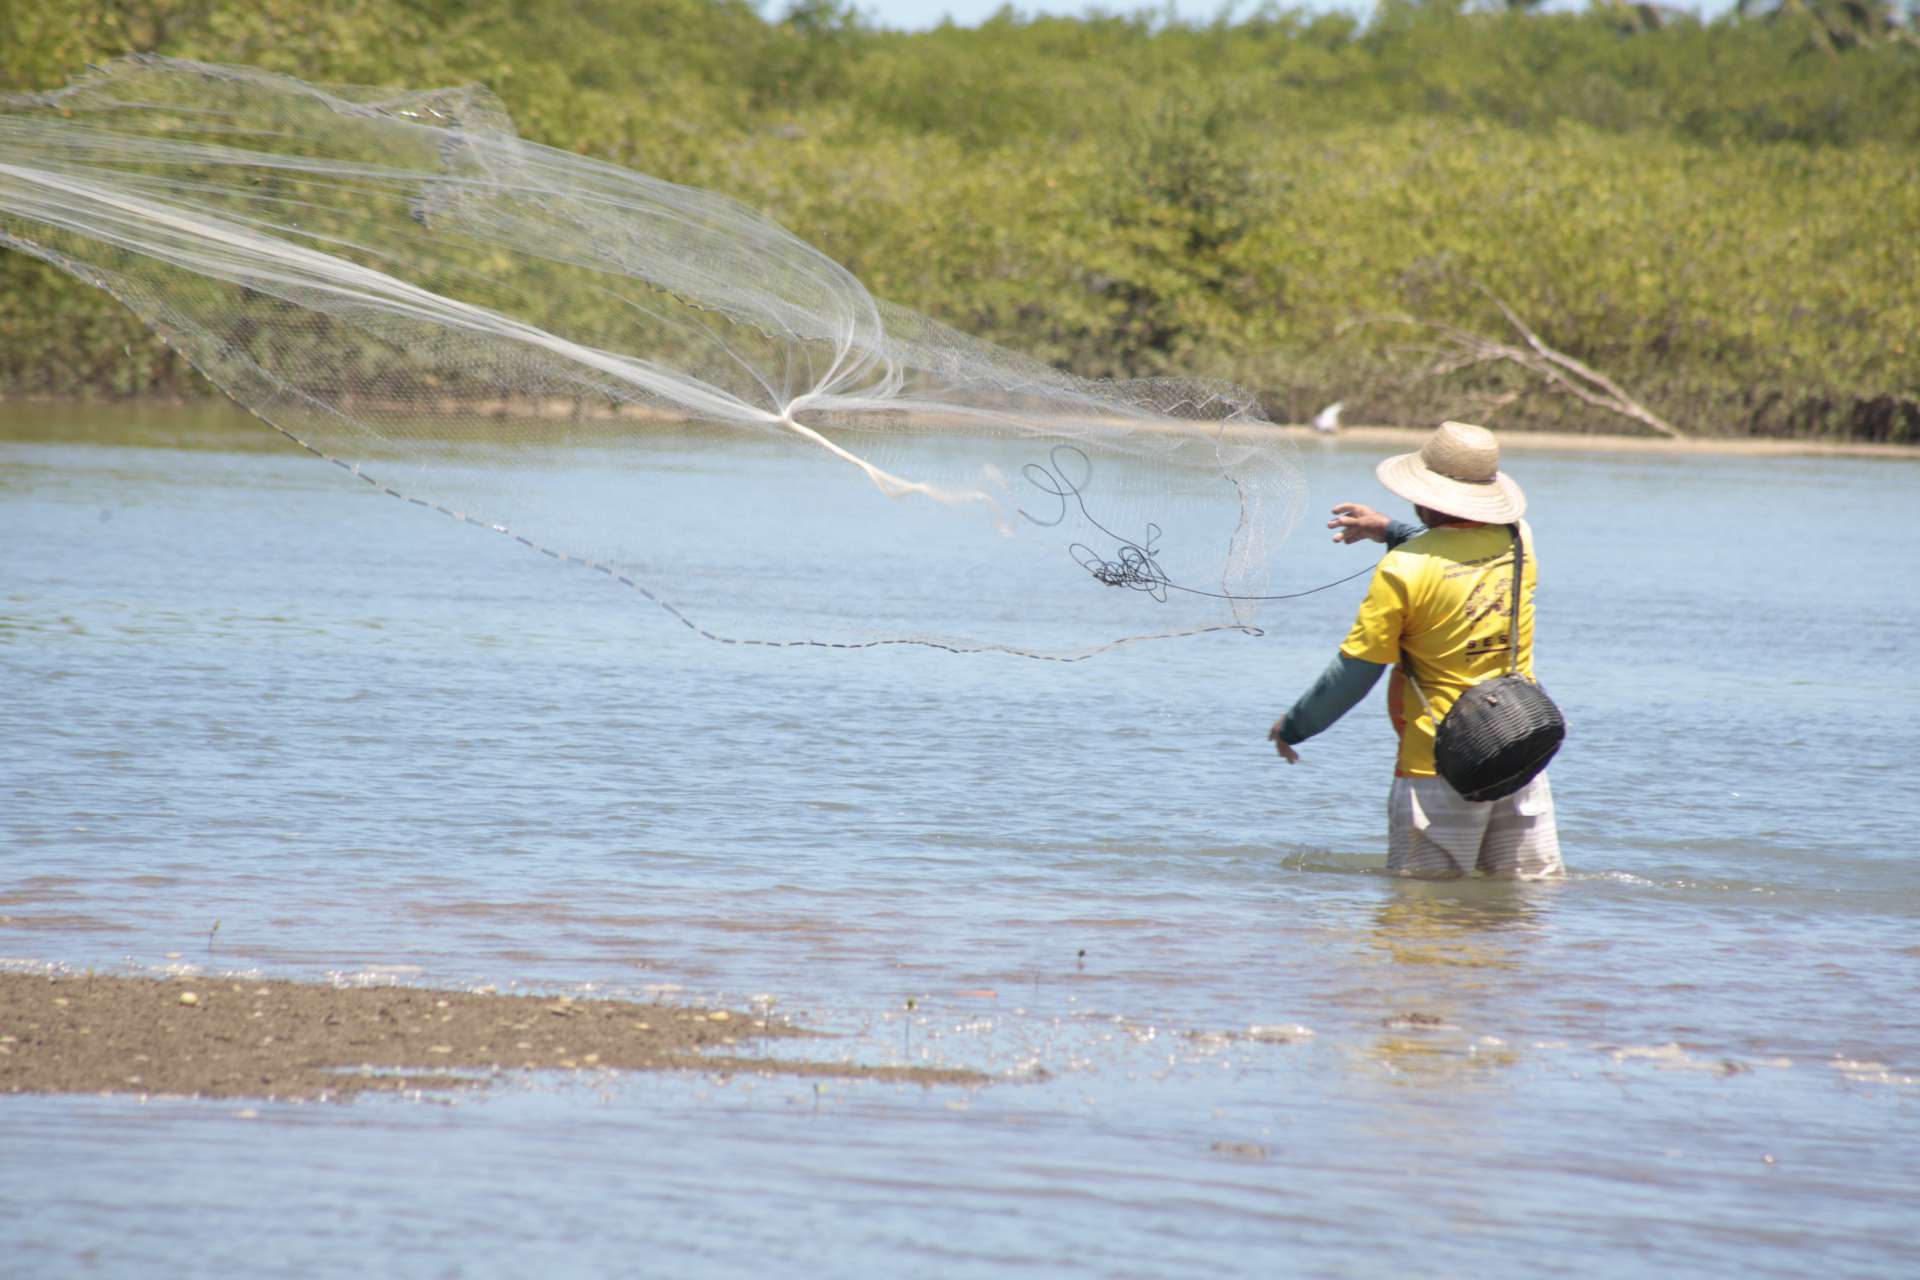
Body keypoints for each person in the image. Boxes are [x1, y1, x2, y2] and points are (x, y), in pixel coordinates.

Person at [1267, 421, 1563, 879]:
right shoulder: (1517, 540)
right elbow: (1454, 548)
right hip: (1520, 751)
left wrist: (1295, 726)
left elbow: (1356, 673)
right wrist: (1386, 528)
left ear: (1426, 496)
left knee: (1421, 922)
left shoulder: (1402, 570)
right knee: (1518, 917)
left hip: (1437, 766)